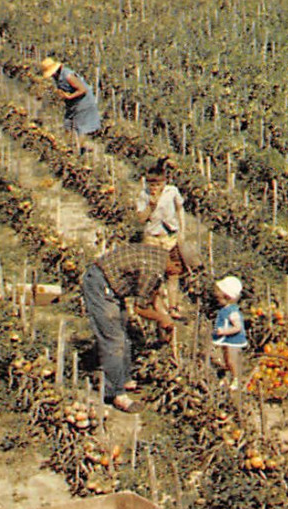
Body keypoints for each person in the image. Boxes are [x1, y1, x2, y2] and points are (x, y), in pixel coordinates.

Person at [82, 239, 201, 412]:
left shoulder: (160, 259)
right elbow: (139, 308)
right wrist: (161, 319)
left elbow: (152, 297)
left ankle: (123, 379)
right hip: (100, 284)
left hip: (112, 286)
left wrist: (164, 317)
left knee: (122, 335)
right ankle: (115, 394)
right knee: (114, 341)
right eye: (180, 272)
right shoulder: (153, 270)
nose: (178, 276)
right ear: (176, 263)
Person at [40, 57, 102, 138]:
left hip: (84, 104)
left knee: (81, 130)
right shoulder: (57, 78)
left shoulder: (68, 76)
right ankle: (70, 147)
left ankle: (83, 147)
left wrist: (69, 97)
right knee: (68, 126)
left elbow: (83, 90)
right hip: (73, 105)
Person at [135, 159, 185, 248]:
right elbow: (141, 219)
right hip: (152, 237)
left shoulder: (172, 191)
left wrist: (182, 231)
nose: (154, 188)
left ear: (164, 183)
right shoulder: (144, 194)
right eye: (152, 185)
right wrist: (151, 206)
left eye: (158, 185)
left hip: (170, 236)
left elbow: (180, 209)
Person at [211, 276, 247, 390]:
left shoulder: (233, 312)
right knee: (226, 358)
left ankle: (236, 378)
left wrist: (224, 331)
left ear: (227, 296)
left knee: (231, 359)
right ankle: (227, 378)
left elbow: (237, 327)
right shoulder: (225, 309)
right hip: (227, 339)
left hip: (233, 339)